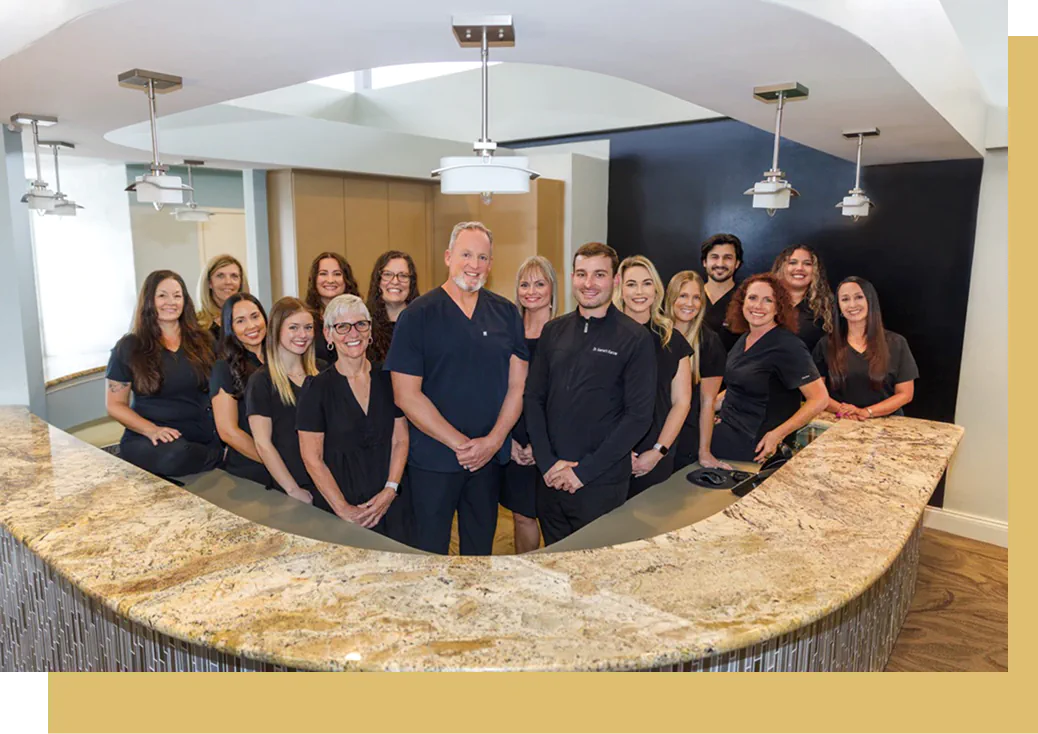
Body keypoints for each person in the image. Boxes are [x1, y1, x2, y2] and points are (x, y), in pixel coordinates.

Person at [385, 221, 529, 556]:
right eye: (466, 254)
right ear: (448, 257)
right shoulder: (418, 315)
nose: (474, 265)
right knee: (429, 553)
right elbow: (406, 395)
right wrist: (463, 445)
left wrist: (492, 442)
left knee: (479, 553)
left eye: (482, 257)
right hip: (434, 460)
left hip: (487, 461)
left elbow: (518, 386)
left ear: (490, 265)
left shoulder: (506, 313)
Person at [524, 243, 656, 545]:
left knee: (596, 566)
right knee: (554, 561)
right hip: (551, 479)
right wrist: (547, 463)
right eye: (582, 274)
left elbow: (638, 417)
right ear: (572, 277)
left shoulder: (635, 338)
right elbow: (533, 398)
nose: (589, 283)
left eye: (599, 274)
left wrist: (582, 473)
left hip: (601, 483)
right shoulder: (553, 331)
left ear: (615, 280)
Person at [298, 295, 410, 540]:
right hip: (340, 509)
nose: (353, 333)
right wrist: (344, 510)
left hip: (392, 501)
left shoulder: (389, 378)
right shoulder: (315, 389)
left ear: (370, 331)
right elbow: (312, 458)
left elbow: (400, 440)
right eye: (342, 327)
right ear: (328, 335)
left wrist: (390, 490)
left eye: (361, 324)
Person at [105, 270, 222, 477]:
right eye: (162, 295)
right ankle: (215, 457)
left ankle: (213, 454)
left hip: (198, 433)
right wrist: (151, 430)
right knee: (175, 455)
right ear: (149, 300)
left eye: (177, 296)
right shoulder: (129, 347)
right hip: (150, 437)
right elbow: (115, 405)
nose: (171, 302)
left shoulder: (204, 341)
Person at [711, 273, 829, 463]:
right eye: (752, 298)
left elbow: (820, 399)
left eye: (768, 300)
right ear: (742, 303)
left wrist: (777, 434)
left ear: (778, 307)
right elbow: (737, 387)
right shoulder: (744, 338)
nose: (758, 306)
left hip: (754, 440)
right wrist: (707, 411)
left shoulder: (788, 345)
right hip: (727, 427)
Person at [613, 255, 692, 498]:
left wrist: (658, 451)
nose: (639, 291)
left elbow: (681, 402)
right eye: (631, 284)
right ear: (620, 289)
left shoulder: (672, 339)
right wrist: (616, 451)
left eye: (646, 283)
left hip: (655, 455)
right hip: (607, 454)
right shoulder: (604, 336)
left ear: (656, 289)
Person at [504, 255, 559, 553]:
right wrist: (507, 441)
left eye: (539, 284)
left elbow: (567, 399)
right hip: (514, 439)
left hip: (554, 443)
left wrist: (543, 448)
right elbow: (499, 390)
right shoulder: (507, 333)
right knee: (522, 516)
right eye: (524, 284)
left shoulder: (565, 333)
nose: (531, 291)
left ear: (552, 288)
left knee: (554, 519)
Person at [246, 297, 323, 506]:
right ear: (276, 330)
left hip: (326, 479)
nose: (302, 335)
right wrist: (292, 489)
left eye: (308, 327)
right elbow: (263, 444)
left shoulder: (323, 372)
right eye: (293, 327)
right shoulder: (261, 381)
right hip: (293, 485)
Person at [813, 276, 918, 420]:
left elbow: (905, 394)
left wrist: (867, 412)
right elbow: (816, 393)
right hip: (839, 421)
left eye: (859, 297)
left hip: (887, 425)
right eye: (845, 299)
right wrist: (844, 411)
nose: (852, 304)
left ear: (870, 301)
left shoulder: (897, 343)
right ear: (839, 306)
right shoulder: (826, 344)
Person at [665, 270, 729, 471]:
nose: (689, 303)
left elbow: (708, 402)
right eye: (683, 296)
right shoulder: (654, 333)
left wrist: (704, 451)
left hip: (684, 437)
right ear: (671, 297)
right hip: (650, 432)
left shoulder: (709, 342)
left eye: (696, 298)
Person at [209, 293, 270, 486]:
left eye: (255, 316)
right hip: (253, 467)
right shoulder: (224, 368)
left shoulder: (280, 358)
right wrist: (273, 461)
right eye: (240, 321)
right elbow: (228, 431)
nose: (251, 326)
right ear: (231, 328)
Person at [770, 244, 834, 352]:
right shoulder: (764, 301)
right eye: (792, 262)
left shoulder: (827, 308)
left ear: (815, 271)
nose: (799, 268)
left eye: (807, 264)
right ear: (781, 268)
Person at [366, 250, 420, 363]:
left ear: (411, 283)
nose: (395, 281)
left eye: (403, 275)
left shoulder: (424, 322)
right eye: (387, 274)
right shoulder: (364, 324)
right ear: (378, 281)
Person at [304, 252, 361, 357]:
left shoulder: (360, 317)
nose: (330, 280)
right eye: (323, 274)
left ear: (346, 279)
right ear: (314, 279)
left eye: (337, 274)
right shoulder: (305, 319)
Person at [700, 233, 743, 352]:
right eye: (714, 257)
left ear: (737, 263)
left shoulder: (745, 300)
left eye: (727, 258)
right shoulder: (691, 297)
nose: (720, 264)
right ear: (704, 262)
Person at [196, 254, 249, 344]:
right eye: (220, 276)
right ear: (209, 283)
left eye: (234, 276)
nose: (228, 282)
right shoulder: (196, 324)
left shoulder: (252, 318)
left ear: (241, 282)